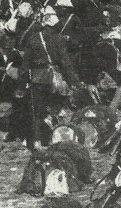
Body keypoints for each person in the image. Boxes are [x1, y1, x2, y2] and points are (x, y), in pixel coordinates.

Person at [22, 8, 79, 150]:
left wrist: (21, 85)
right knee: (56, 109)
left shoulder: (33, 39)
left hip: (37, 78)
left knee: (37, 112)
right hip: (54, 79)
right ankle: (56, 137)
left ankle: (37, 142)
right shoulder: (59, 39)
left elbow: (25, 65)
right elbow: (65, 62)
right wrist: (73, 81)